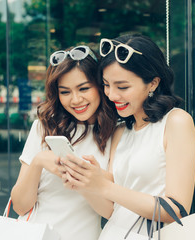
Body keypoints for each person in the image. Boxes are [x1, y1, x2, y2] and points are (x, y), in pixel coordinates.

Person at [60, 34, 195, 238]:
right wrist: (86, 184)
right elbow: (113, 211)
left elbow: (176, 209)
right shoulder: (120, 130)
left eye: (122, 87)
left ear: (152, 83)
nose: (112, 95)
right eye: (106, 84)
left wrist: (104, 185)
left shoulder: (176, 122)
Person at [10, 45, 117, 240]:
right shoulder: (43, 128)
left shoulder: (115, 134)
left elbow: (110, 212)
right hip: (35, 234)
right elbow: (19, 205)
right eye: (65, 92)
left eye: (84, 88)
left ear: (100, 86)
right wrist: (39, 161)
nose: (76, 100)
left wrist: (80, 180)